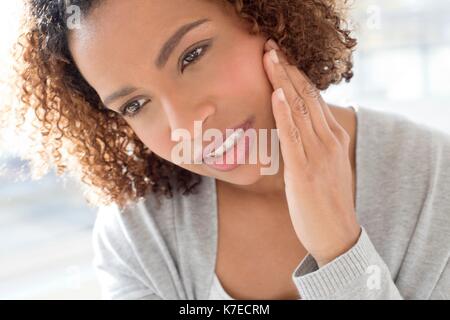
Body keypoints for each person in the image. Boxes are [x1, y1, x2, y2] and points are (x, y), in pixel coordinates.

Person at [7, 0, 449, 299]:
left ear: (264, 15)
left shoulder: (435, 183)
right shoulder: (142, 235)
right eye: (136, 104)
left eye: (192, 55)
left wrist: (339, 250)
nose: (186, 127)